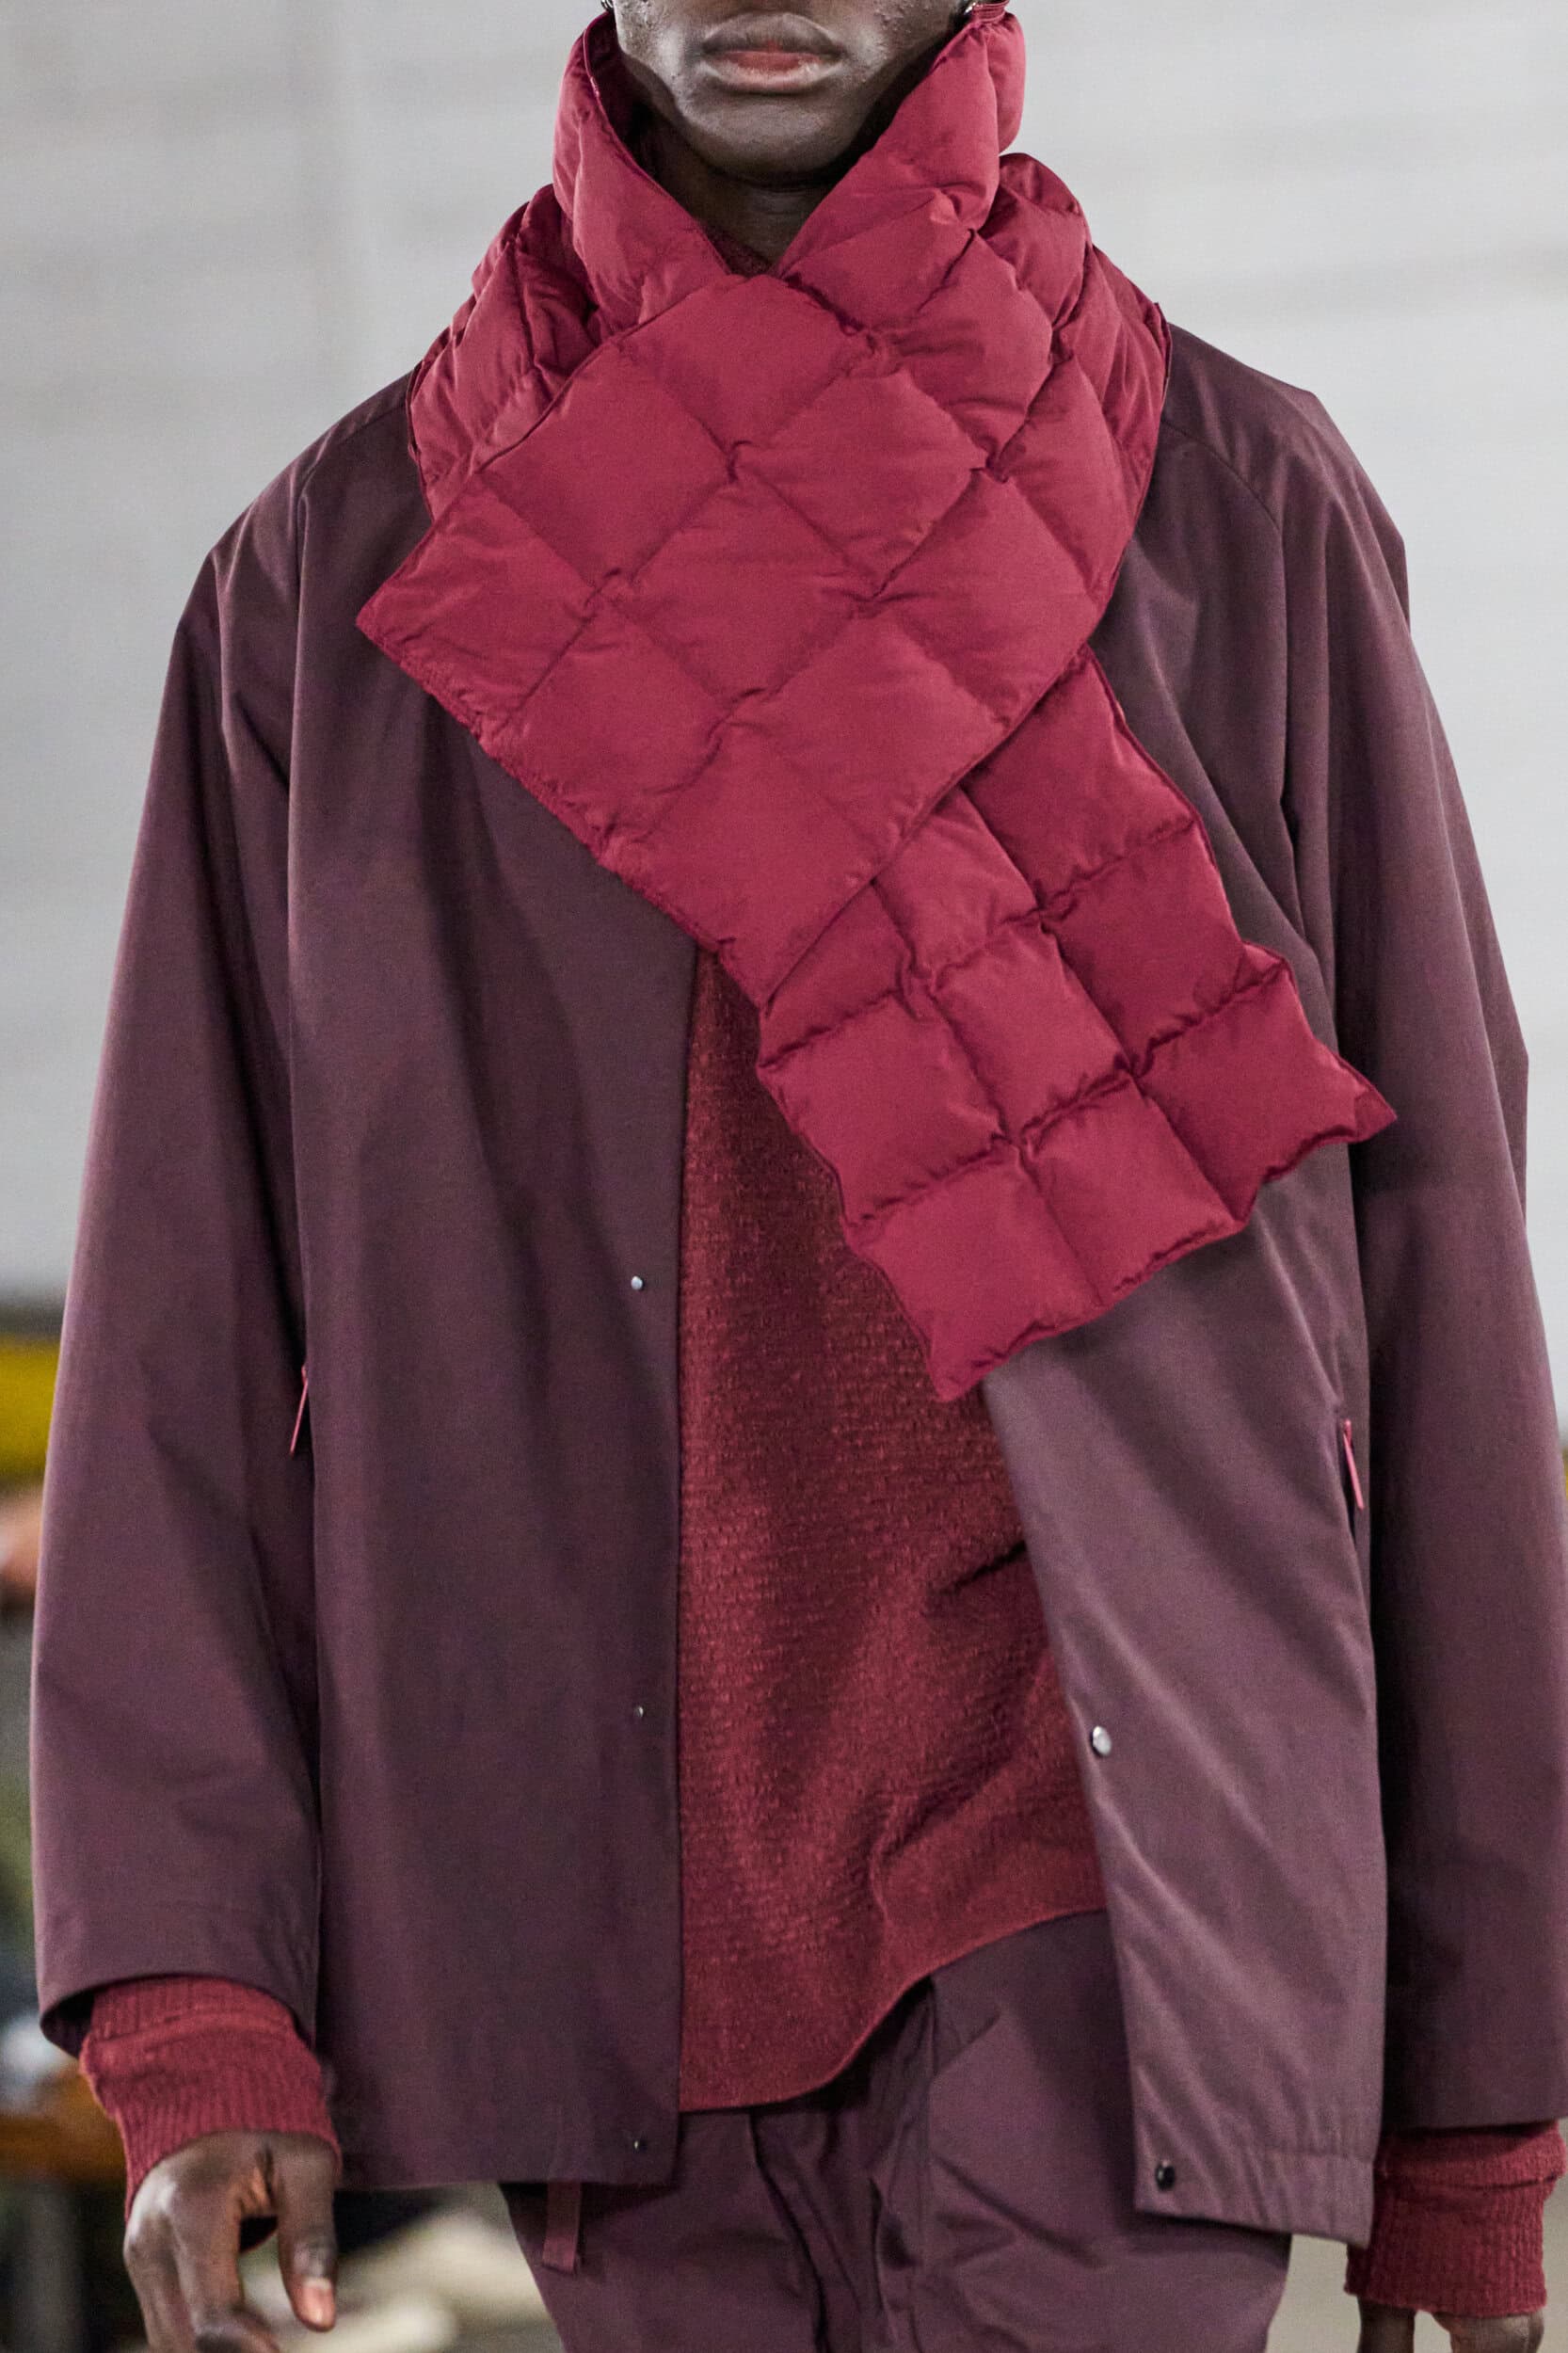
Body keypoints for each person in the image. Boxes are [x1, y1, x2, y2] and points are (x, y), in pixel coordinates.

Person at [29, 3, 1568, 2349]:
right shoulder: (321, 591)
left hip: (1107, 1843)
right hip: (609, 1902)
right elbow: (185, 1335)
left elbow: (1435, 1265)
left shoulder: (1236, 507)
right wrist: (193, 1997)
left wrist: (1472, 2102)